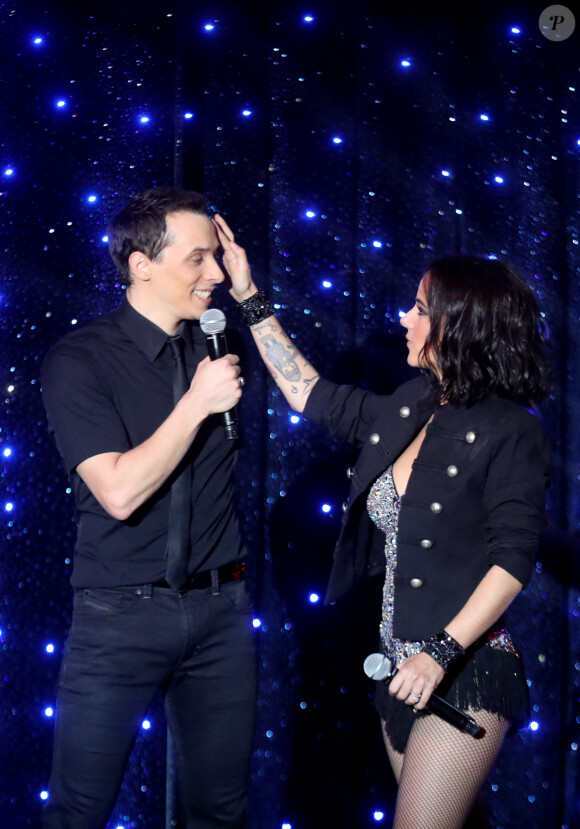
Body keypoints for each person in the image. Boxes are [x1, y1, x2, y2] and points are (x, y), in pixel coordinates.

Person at [214, 213, 551, 829]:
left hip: (465, 669)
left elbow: (514, 559)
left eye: (420, 309)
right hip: (397, 671)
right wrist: (247, 296)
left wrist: (441, 652)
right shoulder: (409, 406)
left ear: (458, 326)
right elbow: (307, 392)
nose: (405, 318)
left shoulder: (513, 429)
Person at [41, 187, 256, 829]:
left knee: (218, 812)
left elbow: (311, 393)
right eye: (198, 259)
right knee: (80, 810)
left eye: (217, 258)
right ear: (142, 265)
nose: (214, 273)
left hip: (221, 613)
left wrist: (251, 297)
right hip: (119, 616)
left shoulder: (216, 347)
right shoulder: (80, 359)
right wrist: (195, 405)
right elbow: (118, 491)